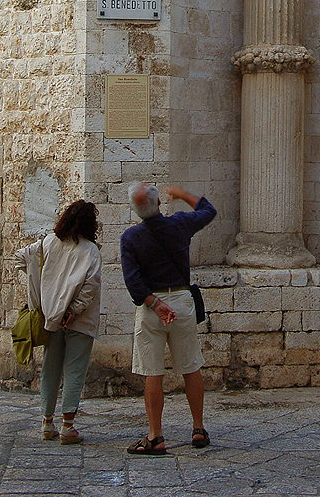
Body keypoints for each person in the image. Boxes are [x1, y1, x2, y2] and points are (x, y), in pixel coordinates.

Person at [121, 182, 216, 455]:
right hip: (183, 304)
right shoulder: (179, 225)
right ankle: (198, 429)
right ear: (159, 204)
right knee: (190, 367)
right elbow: (208, 211)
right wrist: (183, 193)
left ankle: (155, 435)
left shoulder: (130, 238)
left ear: (135, 210)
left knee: (153, 372)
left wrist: (155, 303)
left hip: (153, 307)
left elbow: (133, 281)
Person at [15, 199, 102, 445]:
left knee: (50, 369)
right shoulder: (90, 251)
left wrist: (40, 297)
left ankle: (46, 422)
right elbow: (90, 286)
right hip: (79, 320)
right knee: (75, 370)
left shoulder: (48, 244)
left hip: (51, 317)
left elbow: (22, 258)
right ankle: (68, 426)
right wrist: (72, 310)